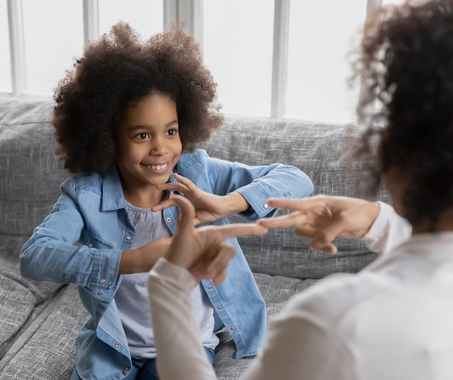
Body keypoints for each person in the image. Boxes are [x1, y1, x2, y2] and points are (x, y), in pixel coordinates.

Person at [148, 0, 453, 379]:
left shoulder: (334, 322)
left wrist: (169, 286)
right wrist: (379, 221)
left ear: (395, 149)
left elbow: (291, 177)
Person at [19, 22, 313, 380]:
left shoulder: (198, 173)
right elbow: (35, 256)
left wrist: (224, 204)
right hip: (113, 346)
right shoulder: (85, 195)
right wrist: (133, 259)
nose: (161, 148)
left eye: (171, 131)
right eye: (142, 134)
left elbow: (297, 179)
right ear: (107, 137)